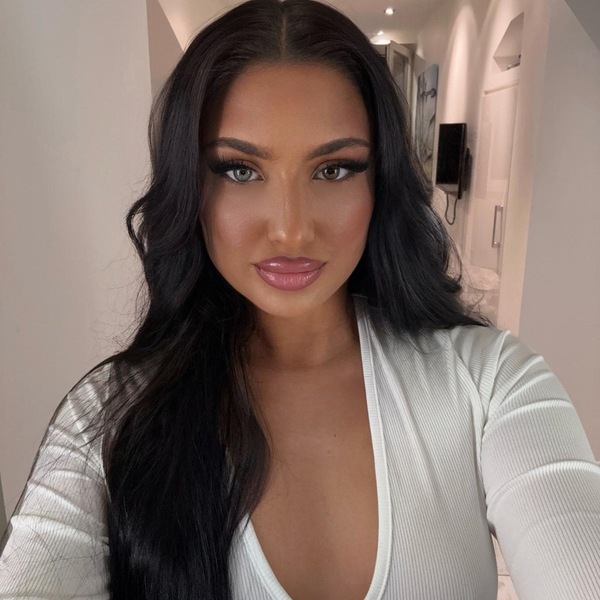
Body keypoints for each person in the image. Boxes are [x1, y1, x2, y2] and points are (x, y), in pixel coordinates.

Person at [1, 0, 599, 598]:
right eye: (240, 170)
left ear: (380, 181)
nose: (290, 230)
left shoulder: (490, 385)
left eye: (333, 170)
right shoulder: (109, 417)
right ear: (189, 186)